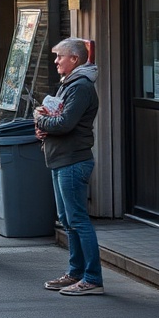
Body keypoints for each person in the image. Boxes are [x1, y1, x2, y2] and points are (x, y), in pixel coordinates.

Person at [35, 38, 103, 296]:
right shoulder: (70, 84)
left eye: (59, 56)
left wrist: (40, 120)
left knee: (78, 220)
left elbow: (64, 123)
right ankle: (76, 273)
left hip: (73, 161)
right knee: (67, 220)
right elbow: (57, 119)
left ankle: (92, 279)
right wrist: (44, 127)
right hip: (61, 159)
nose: (55, 61)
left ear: (74, 59)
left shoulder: (81, 86)